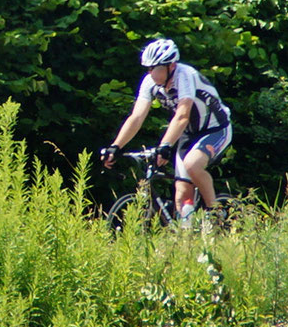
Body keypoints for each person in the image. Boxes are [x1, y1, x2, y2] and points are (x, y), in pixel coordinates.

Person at [100, 38, 233, 221]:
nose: (151, 73)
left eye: (155, 68)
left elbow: (182, 115)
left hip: (215, 128)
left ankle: (215, 213)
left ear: (171, 66)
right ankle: (187, 240)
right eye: (148, 68)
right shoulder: (149, 82)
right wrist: (116, 146)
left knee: (192, 165)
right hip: (188, 132)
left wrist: (165, 145)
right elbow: (136, 117)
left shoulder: (185, 75)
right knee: (182, 194)